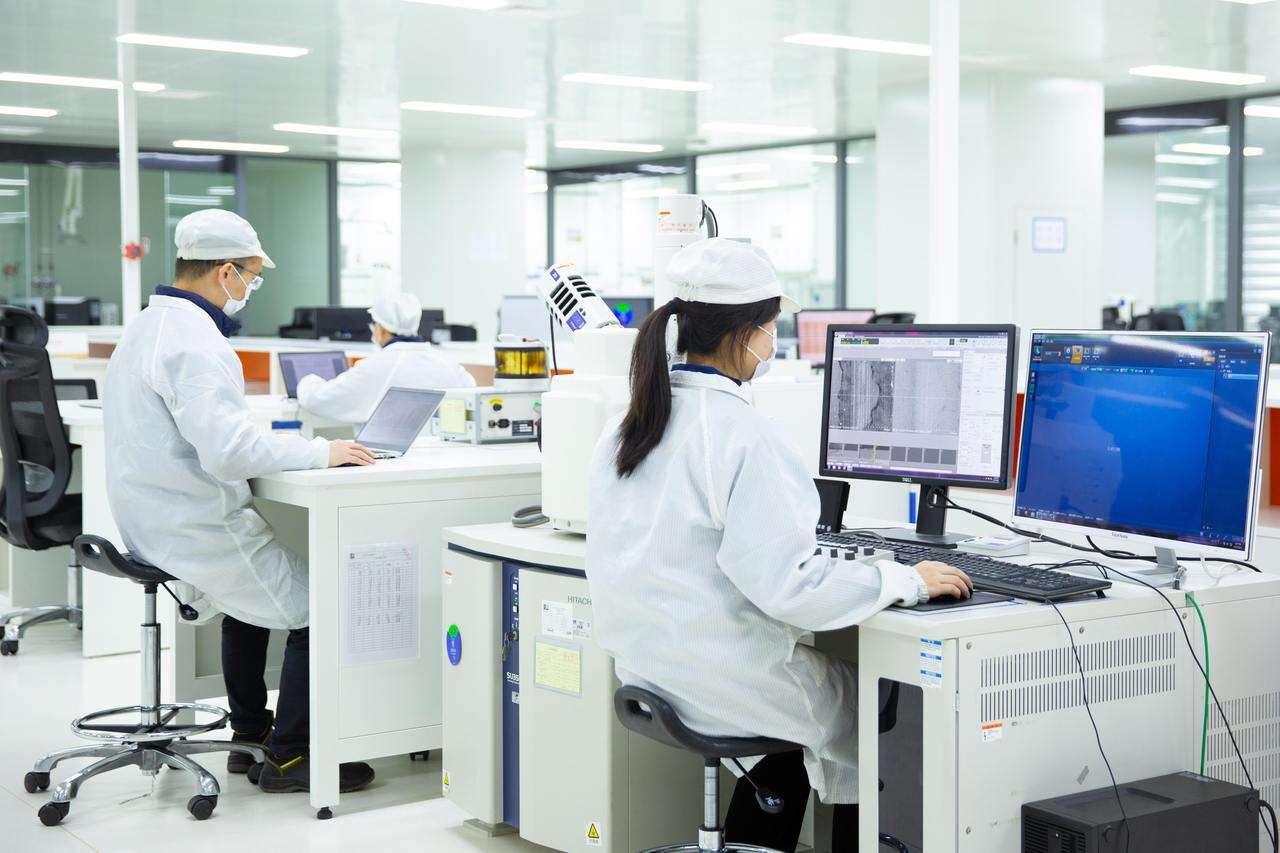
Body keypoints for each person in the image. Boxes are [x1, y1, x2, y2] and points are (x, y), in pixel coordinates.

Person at [585, 237, 972, 851]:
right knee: (886, 703)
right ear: (745, 334)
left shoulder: (626, 425)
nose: (771, 345)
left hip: (650, 668)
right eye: (769, 329)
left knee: (808, 718)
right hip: (722, 681)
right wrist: (905, 580)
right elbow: (789, 587)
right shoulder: (740, 434)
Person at [104, 209, 378, 795]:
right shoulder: (196, 343)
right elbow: (229, 453)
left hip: (152, 516)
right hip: (194, 522)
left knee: (250, 602)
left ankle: (251, 732)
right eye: (252, 276)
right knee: (325, 606)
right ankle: (290, 758)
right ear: (225, 272)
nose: (252, 287)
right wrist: (322, 452)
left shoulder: (148, 325)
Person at [296, 292, 474, 425]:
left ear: (380, 328)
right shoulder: (449, 365)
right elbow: (471, 395)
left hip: (387, 460)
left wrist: (308, 381)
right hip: (445, 458)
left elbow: (318, 400)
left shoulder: (374, 366)